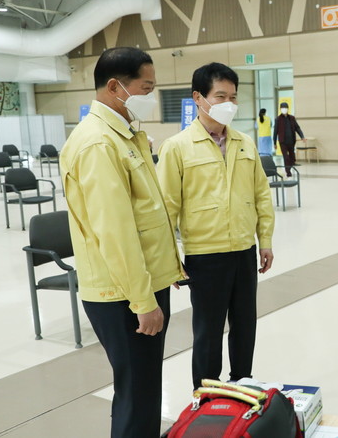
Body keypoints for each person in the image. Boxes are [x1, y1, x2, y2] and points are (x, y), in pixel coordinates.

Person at [59, 47, 184, 438]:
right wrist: (143, 301)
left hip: (139, 281)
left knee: (142, 389)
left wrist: (168, 269)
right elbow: (116, 232)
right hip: (123, 293)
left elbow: (147, 213)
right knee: (137, 393)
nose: (151, 96)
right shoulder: (98, 144)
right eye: (146, 88)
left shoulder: (123, 134)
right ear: (115, 87)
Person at [156, 62, 275, 390]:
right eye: (220, 96)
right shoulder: (177, 147)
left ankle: (242, 385)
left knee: (245, 326)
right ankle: (206, 395)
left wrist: (264, 240)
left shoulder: (245, 143)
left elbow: (261, 196)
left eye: (233, 97)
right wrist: (169, 260)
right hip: (205, 256)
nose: (229, 104)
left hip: (244, 251)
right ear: (198, 98)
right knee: (208, 332)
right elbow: (166, 209)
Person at [273, 101, 304, 177]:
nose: (284, 109)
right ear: (280, 109)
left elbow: (297, 128)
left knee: (292, 157)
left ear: (288, 109)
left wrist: (302, 136)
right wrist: (274, 143)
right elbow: (275, 131)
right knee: (286, 157)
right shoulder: (278, 119)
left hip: (291, 141)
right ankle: (288, 172)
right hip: (283, 142)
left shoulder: (292, 118)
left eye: (285, 108)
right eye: (282, 108)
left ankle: (290, 165)